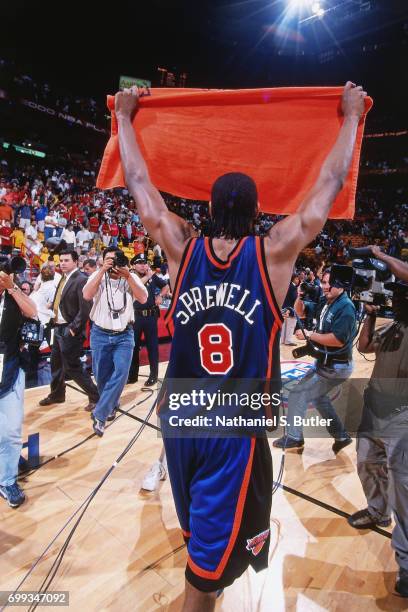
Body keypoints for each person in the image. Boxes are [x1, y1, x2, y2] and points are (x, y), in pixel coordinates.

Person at [115, 82, 367, 610]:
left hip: (180, 417)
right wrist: (349, 118)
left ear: (209, 206)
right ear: (257, 211)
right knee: (206, 574)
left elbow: (138, 179)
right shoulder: (274, 253)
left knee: (206, 547)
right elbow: (329, 183)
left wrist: (125, 115)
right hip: (235, 421)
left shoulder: (181, 247)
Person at [348, 268, 408, 597]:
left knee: (404, 491)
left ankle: (407, 564)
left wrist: (382, 256)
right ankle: (376, 511)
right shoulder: (392, 328)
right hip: (375, 410)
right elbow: (365, 344)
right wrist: (370, 315)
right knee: (366, 463)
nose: (395, 300)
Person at [274, 268, 356, 451]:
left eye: (329, 283)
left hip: (337, 367)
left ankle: (294, 437)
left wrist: (311, 335)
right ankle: (341, 436)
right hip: (325, 363)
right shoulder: (326, 301)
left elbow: (337, 339)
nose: (324, 286)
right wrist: (300, 296)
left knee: (298, 395)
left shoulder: (346, 307)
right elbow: (300, 313)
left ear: (340, 285)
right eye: (323, 282)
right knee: (320, 399)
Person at [83, 248, 147, 436]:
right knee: (101, 375)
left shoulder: (130, 277)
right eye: (108, 260)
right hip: (100, 333)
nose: (112, 263)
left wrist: (128, 277)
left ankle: (100, 415)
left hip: (124, 334)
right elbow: (86, 295)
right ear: (102, 261)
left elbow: (143, 298)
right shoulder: (97, 275)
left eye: (115, 260)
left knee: (121, 373)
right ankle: (110, 404)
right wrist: (102, 271)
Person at [39, 249, 99, 410]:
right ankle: (57, 394)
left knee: (72, 367)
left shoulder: (81, 279)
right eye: (61, 260)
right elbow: (61, 300)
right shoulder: (64, 278)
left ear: (75, 262)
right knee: (56, 364)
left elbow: (86, 307)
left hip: (70, 329)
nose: (63, 263)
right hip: (58, 328)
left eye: (66, 260)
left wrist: (73, 329)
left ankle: (95, 396)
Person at [0, 269, 37, 508]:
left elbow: (33, 312)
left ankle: (7, 480)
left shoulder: (13, 297)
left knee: (11, 431)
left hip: (10, 369)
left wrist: (12, 288)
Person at [127, 253, 169, 386]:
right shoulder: (130, 276)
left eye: (145, 263)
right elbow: (135, 287)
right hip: (135, 316)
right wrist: (148, 276)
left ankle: (153, 375)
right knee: (133, 347)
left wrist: (160, 296)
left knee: (152, 347)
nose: (143, 265)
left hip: (150, 316)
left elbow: (166, 286)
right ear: (133, 265)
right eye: (139, 263)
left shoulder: (152, 276)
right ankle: (132, 376)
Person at [281, 272, 300, 346]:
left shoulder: (287, 285)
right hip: (290, 309)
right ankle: (288, 340)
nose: (298, 280)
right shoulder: (293, 287)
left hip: (285, 308)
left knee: (284, 326)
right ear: (293, 278)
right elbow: (294, 298)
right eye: (297, 279)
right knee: (290, 326)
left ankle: (283, 340)